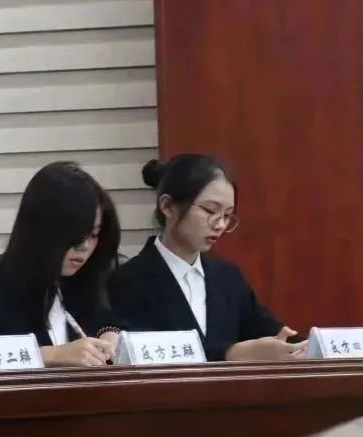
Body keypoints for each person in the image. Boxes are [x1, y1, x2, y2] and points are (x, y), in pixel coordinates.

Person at [109, 155, 305, 362]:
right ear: (168, 206)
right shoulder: (125, 281)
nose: (220, 225)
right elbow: (140, 355)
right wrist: (229, 355)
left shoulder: (227, 277)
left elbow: (272, 331)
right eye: (210, 210)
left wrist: (306, 346)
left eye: (227, 215)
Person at [0, 162, 123, 371]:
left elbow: (107, 322)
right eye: (73, 235)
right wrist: (50, 355)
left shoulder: (86, 284)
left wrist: (109, 335)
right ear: (38, 230)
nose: (84, 247)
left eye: (93, 235)